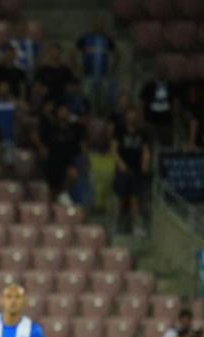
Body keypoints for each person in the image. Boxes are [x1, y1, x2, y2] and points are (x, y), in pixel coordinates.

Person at [111, 108, 149, 236]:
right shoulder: (119, 131)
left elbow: (145, 150)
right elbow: (114, 150)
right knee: (121, 198)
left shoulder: (142, 133)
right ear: (126, 117)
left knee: (135, 199)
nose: (132, 118)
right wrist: (120, 164)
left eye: (134, 115)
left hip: (137, 170)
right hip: (123, 169)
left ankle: (136, 226)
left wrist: (145, 165)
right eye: (130, 115)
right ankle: (117, 225)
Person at [75, 19, 116, 115]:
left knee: (104, 101)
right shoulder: (85, 38)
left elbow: (117, 54)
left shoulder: (107, 39)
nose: (99, 27)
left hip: (103, 76)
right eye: (97, 25)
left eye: (101, 25)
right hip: (88, 75)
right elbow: (72, 54)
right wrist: (77, 68)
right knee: (87, 101)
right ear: (93, 26)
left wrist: (112, 68)